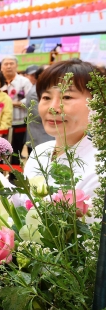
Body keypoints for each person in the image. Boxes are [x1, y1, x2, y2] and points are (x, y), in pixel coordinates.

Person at [23, 59, 100, 203]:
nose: (53, 107)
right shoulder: (39, 152)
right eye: (46, 97)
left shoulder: (100, 165)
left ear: (96, 103)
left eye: (66, 97)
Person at [0, 56, 32, 170]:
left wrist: (11, 103)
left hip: (19, 122)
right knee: (0, 151)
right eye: (6, 64)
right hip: (0, 123)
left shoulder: (24, 82)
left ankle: (14, 177)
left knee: (15, 150)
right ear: (1, 67)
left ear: (16, 66)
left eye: (11, 64)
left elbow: (29, 99)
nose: (8, 66)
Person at [24, 65, 53, 154]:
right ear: (40, 76)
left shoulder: (47, 89)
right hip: (41, 138)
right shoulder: (35, 92)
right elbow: (41, 115)